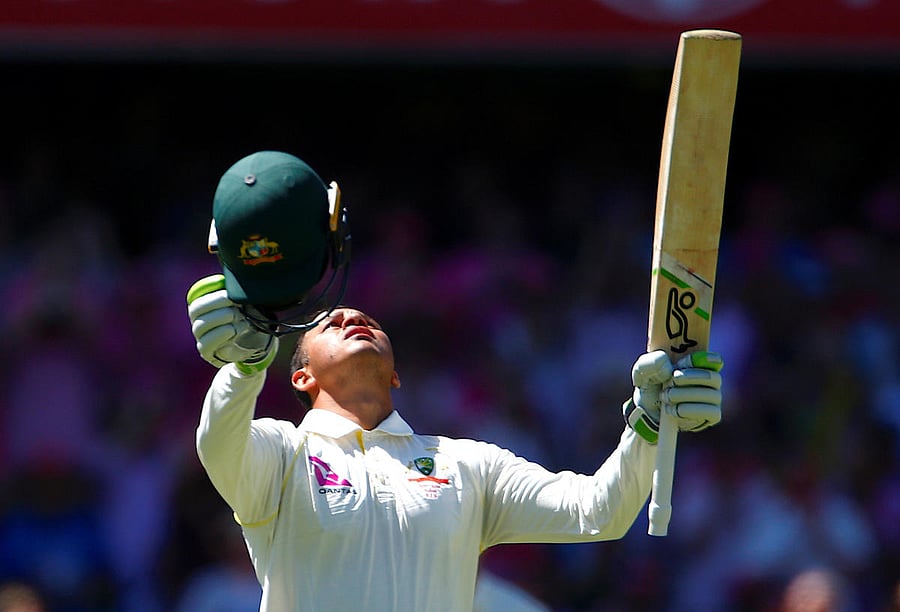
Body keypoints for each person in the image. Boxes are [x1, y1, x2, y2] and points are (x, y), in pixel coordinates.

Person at [186, 151, 724, 611]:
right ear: (302, 376)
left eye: (369, 323)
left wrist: (649, 424)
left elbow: (599, 510)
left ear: (395, 374)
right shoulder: (282, 454)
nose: (352, 317)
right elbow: (218, 444)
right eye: (332, 323)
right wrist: (245, 367)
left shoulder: (467, 465)